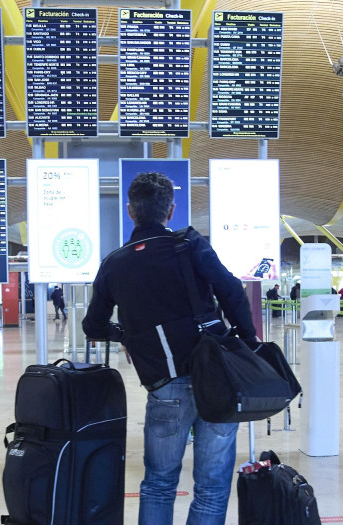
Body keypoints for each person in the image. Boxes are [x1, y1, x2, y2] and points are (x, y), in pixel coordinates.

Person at [83, 172, 258, 525]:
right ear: (171, 210)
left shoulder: (114, 263)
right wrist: (248, 341)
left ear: (131, 211)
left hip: (165, 386)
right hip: (218, 378)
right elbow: (232, 292)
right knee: (212, 485)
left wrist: (127, 335)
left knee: (159, 483)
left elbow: (93, 326)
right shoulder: (190, 244)